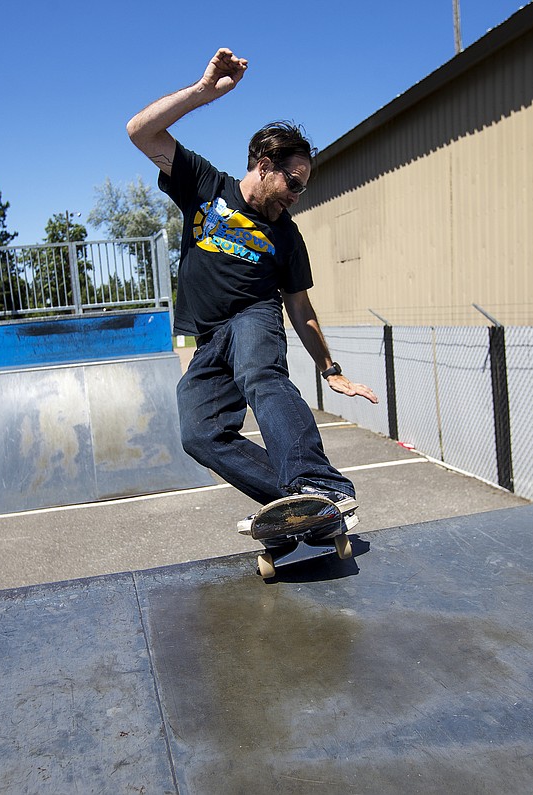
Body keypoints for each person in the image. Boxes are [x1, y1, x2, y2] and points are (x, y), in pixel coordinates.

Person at [127, 47, 379, 534]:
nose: (297, 195)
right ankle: (298, 506)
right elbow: (140, 131)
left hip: (254, 318)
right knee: (199, 433)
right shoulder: (205, 184)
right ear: (264, 165)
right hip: (208, 338)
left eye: (303, 187)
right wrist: (203, 93)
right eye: (293, 181)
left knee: (260, 374)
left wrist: (332, 370)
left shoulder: (286, 235)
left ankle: (320, 485)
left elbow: (300, 305)